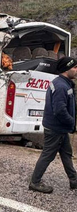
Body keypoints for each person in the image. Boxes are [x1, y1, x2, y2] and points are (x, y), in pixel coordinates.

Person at [29, 57, 77, 193]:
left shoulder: (63, 83)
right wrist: (72, 121)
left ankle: (74, 180)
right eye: (74, 67)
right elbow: (59, 110)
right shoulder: (61, 86)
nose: (76, 70)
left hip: (60, 128)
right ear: (66, 69)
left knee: (66, 153)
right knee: (48, 155)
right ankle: (35, 182)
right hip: (56, 128)